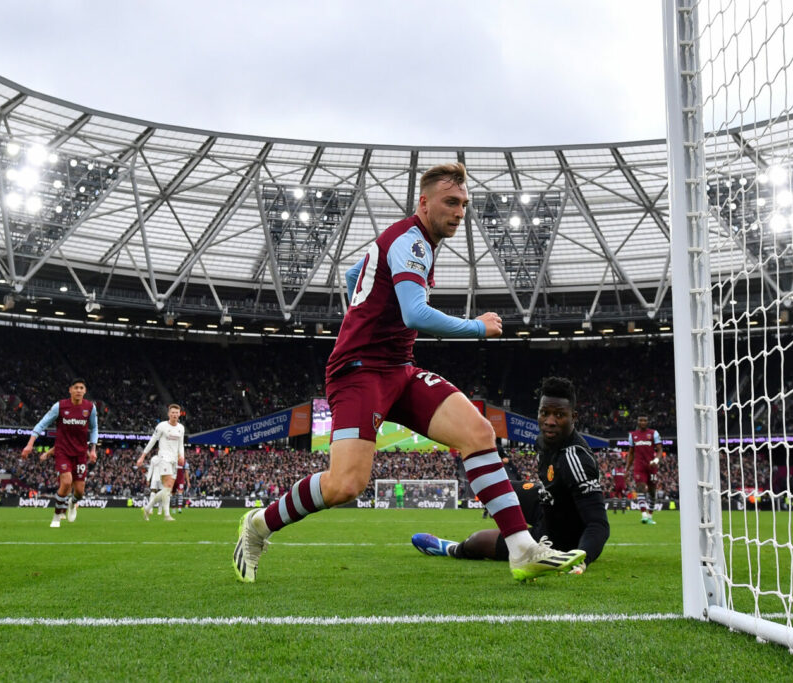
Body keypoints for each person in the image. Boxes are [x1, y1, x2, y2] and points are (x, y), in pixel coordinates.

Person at [233, 163, 585, 583]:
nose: (459, 212)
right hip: (359, 372)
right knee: (346, 484)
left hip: (398, 370)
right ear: (424, 203)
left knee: (478, 433)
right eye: (450, 203)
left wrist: (361, 314)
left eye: (464, 204)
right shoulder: (412, 242)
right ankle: (257, 525)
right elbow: (415, 313)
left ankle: (522, 549)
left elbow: (353, 274)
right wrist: (478, 327)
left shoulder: (409, 241)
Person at [411, 377, 609, 574]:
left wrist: (582, 557)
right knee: (495, 485)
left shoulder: (576, 460)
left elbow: (598, 523)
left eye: (559, 415)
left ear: (573, 417)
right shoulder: (543, 442)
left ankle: (450, 548)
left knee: (477, 541)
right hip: (547, 505)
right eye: (545, 413)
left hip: (557, 536)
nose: (550, 421)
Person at [21, 378, 98, 527]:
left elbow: (94, 428)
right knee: (67, 482)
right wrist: (29, 445)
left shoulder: (90, 408)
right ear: (70, 390)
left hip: (81, 453)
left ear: (85, 391)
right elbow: (42, 424)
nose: (78, 390)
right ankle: (56, 516)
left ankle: (72, 503)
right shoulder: (60, 406)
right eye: (76, 387)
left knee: (80, 492)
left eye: (81, 388)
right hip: (63, 451)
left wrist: (93, 449)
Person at [136, 404, 186, 521]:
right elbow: (153, 441)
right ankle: (165, 515)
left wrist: (182, 456)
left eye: (176, 413)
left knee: (167, 489)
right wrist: (143, 456)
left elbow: (181, 445)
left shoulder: (181, 428)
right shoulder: (162, 426)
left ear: (179, 414)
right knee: (168, 486)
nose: (174, 414)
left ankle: (150, 509)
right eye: (172, 412)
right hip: (164, 458)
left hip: (174, 461)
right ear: (168, 414)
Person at [627, 415, 664, 524]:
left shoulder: (654, 433)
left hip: (652, 467)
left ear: (648, 422)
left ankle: (650, 516)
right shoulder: (632, 435)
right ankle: (643, 515)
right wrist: (627, 469)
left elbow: (660, 450)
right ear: (637, 422)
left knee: (652, 492)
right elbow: (631, 453)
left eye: (645, 420)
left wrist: (656, 460)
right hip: (639, 467)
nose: (643, 422)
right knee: (640, 489)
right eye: (640, 420)